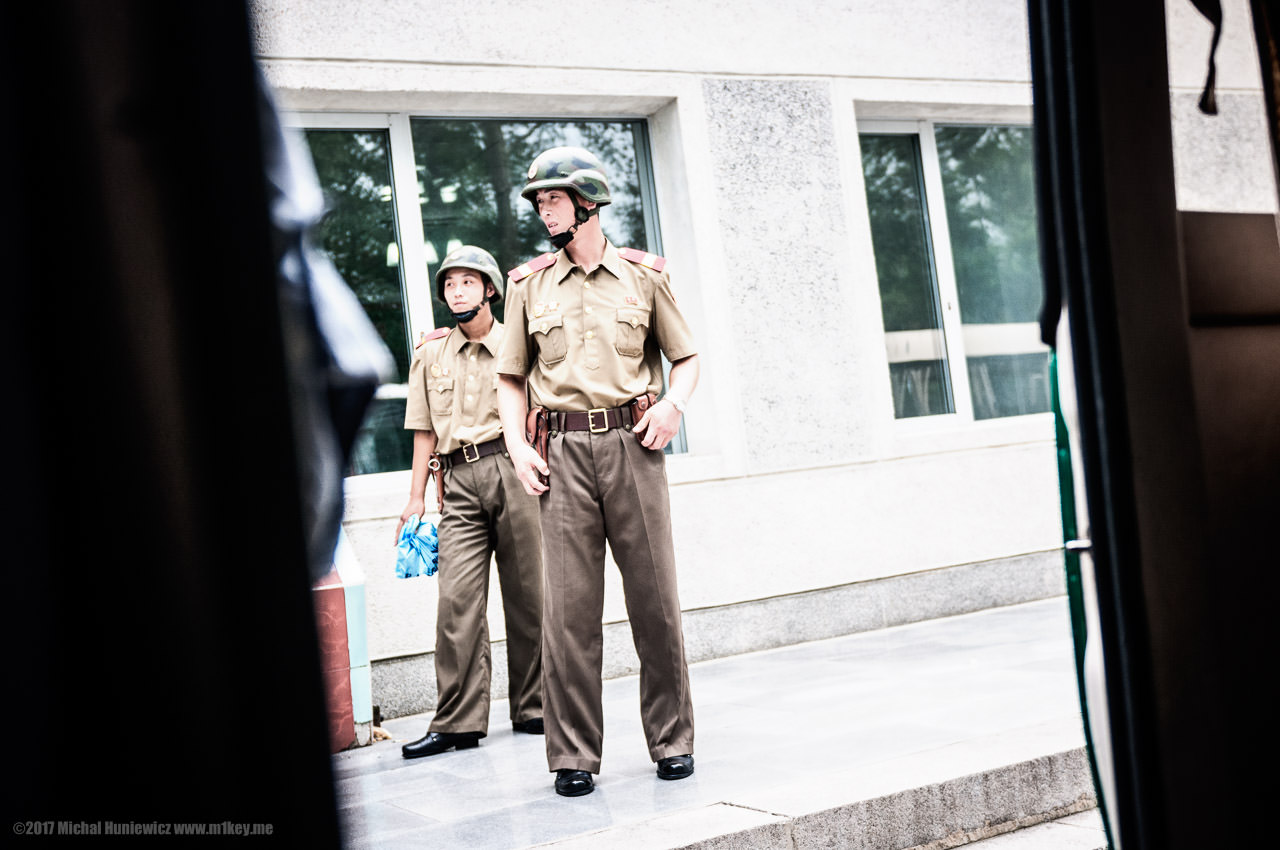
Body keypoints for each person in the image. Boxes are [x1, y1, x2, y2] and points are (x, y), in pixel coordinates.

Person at [496, 147, 700, 797]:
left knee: (656, 604)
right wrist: (516, 444)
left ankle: (672, 740)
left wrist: (673, 404)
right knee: (567, 615)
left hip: (634, 447)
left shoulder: (644, 277)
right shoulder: (528, 286)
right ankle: (573, 757)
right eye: (538, 200)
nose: (542, 208)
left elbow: (687, 357)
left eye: (552, 198)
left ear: (587, 202)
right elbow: (509, 378)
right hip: (560, 457)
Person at [396, 245, 544, 758]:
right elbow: (421, 430)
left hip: (514, 468)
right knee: (456, 601)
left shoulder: (517, 343)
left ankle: (536, 706)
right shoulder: (430, 353)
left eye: (466, 282)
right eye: (449, 284)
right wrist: (415, 498)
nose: (456, 291)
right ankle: (458, 720)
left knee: (530, 595)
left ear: (488, 290)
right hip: (456, 481)